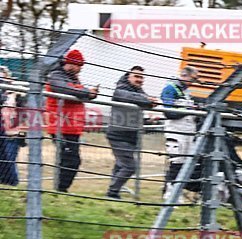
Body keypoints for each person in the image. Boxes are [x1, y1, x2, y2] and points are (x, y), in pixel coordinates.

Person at [45, 49, 97, 192]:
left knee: (68, 159)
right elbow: (66, 90)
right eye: (79, 66)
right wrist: (86, 92)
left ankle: (60, 189)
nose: (80, 69)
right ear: (71, 63)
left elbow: (76, 91)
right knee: (71, 159)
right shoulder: (56, 76)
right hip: (61, 126)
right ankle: (60, 189)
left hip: (71, 127)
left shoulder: (73, 79)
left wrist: (89, 94)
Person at [105, 66, 157, 199]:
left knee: (120, 165)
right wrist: (148, 100)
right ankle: (112, 192)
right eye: (136, 76)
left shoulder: (139, 92)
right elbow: (132, 98)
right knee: (129, 166)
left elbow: (143, 104)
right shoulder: (120, 89)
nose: (139, 80)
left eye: (141, 77)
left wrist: (148, 121)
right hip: (118, 134)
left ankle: (114, 189)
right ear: (128, 76)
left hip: (131, 135)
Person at [161, 66, 199, 200]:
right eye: (193, 79)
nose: (194, 82)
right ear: (185, 76)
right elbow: (169, 112)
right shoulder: (170, 88)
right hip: (175, 132)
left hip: (188, 132)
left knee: (185, 163)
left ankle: (174, 191)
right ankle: (170, 194)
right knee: (176, 162)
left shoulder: (186, 91)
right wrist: (189, 109)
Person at [0, 68, 23, 186]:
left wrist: (22, 131)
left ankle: (11, 184)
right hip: (3, 131)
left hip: (12, 132)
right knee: (4, 162)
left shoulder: (15, 93)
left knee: (10, 161)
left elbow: (22, 112)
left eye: (3, 77)